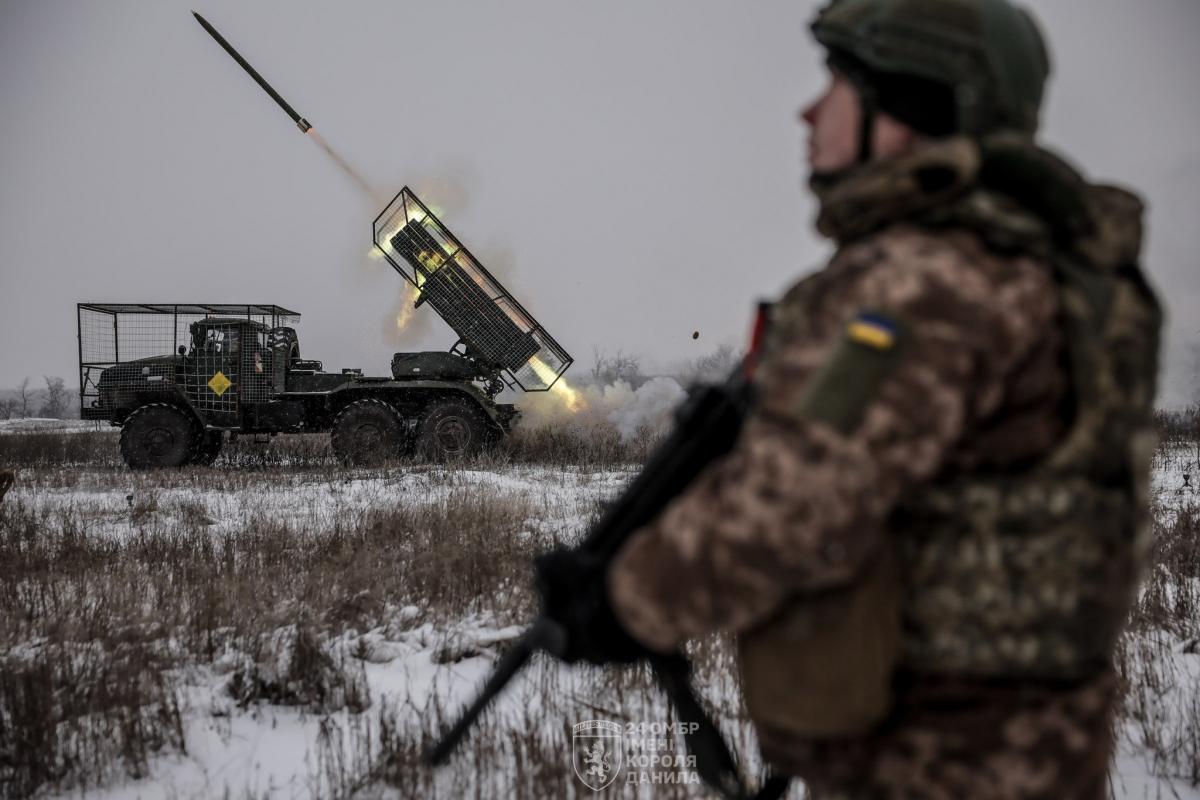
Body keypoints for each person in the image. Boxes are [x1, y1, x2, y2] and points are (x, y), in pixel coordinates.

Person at [538, 0, 1163, 797]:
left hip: (933, 761)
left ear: (909, 107)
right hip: (1027, 746)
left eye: (836, 83)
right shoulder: (1042, 267)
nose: (807, 110)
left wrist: (624, 598)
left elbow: (792, 502)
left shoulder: (926, 281)